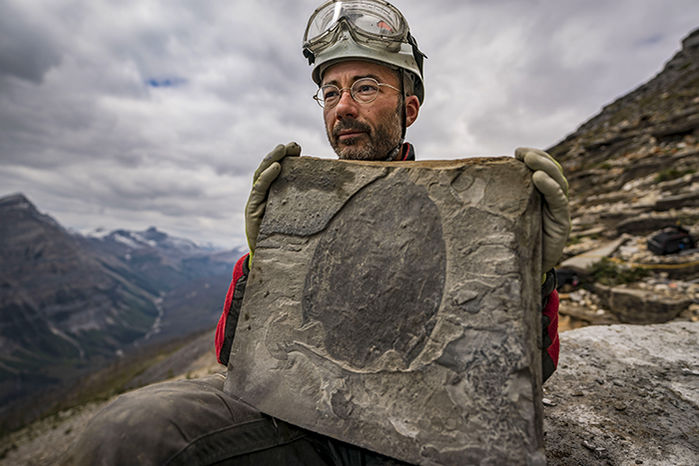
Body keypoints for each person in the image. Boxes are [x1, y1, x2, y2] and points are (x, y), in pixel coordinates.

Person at [63, 1, 569, 464]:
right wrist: (262, 259)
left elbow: (524, 380)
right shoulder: (301, 208)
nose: (343, 107)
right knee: (126, 432)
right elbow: (234, 357)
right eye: (331, 92)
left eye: (365, 87)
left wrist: (532, 276)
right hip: (305, 417)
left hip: (416, 438)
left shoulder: (465, 209)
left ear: (409, 109)